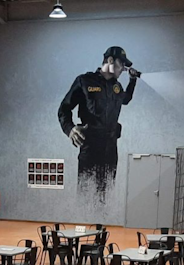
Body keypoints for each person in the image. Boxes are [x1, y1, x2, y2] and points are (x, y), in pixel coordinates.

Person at [58, 46, 140, 200]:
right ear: (110, 60)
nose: (123, 68)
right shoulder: (85, 81)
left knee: (106, 197)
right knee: (86, 197)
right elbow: (64, 109)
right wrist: (70, 129)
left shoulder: (116, 86)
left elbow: (126, 99)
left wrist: (132, 80)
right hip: (90, 149)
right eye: (121, 63)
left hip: (110, 151)